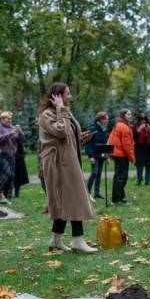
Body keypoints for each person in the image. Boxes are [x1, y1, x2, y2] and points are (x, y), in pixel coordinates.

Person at [37, 82, 97, 253]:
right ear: (57, 97)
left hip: (67, 162)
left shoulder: (62, 112)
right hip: (57, 164)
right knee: (74, 198)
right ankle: (77, 240)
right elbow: (61, 131)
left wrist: (79, 137)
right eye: (67, 94)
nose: (70, 97)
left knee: (67, 200)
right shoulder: (46, 115)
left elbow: (65, 135)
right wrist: (61, 109)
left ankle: (55, 240)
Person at [0, 111, 22, 204]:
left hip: (12, 154)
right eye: (8, 118)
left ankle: (7, 197)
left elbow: (20, 140)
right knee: (5, 174)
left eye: (11, 118)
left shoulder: (12, 128)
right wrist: (11, 133)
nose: (10, 120)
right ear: (2, 119)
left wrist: (20, 133)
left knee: (11, 176)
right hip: (1, 154)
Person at [108, 108, 135, 204]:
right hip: (121, 155)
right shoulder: (124, 127)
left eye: (130, 114)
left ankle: (121, 198)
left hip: (116, 154)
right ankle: (116, 199)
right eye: (128, 114)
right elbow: (127, 145)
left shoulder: (117, 125)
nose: (130, 116)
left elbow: (111, 138)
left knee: (118, 177)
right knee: (122, 178)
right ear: (123, 115)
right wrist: (132, 158)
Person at [85, 111, 109, 199]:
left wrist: (107, 155)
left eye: (107, 119)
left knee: (99, 174)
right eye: (105, 119)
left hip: (102, 155)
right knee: (94, 173)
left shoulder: (105, 129)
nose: (107, 120)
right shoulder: (93, 129)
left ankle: (97, 193)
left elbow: (105, 143)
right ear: (100, 119)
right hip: (94, 155)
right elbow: (87, 144)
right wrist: (90, 156)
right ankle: (87, 192)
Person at [133, 113, 150, 186]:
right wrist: (139, 129)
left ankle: (148, 181)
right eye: (141, 120)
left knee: (149, 164)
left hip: (148, 147)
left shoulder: (149, 125)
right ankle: (139, 180)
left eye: (145, 120)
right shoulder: (136, 126)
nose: (143, 121)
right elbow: (133, 137)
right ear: (139, 120)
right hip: (139, 147)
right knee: (139, 164)